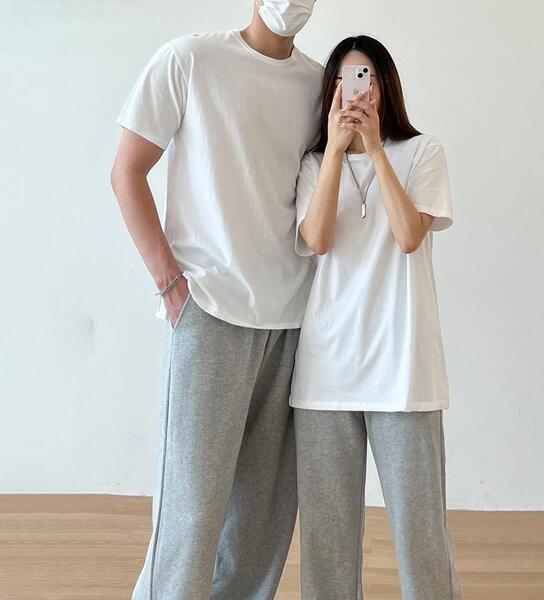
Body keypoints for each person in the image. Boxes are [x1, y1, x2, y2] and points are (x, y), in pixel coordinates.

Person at [109, 1, 321, 598]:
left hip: (293, 322)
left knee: (262, 518)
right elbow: (127, 171)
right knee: (191, 511)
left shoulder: (317, 84)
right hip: (210, 311)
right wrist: (169, 281)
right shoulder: (190, 60)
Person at [290, 35, 465, 600]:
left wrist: (376, 150)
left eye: (365, 77)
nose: (356, 91)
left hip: (404, 369)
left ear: (385, 85)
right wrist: (337, 152)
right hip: (326, 371)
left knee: (420, 536)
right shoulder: (313, 164)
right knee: (327, 545)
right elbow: (318, 240)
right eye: (345, 80)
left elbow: (409, 236)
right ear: (331, 91)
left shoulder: (423, 152)